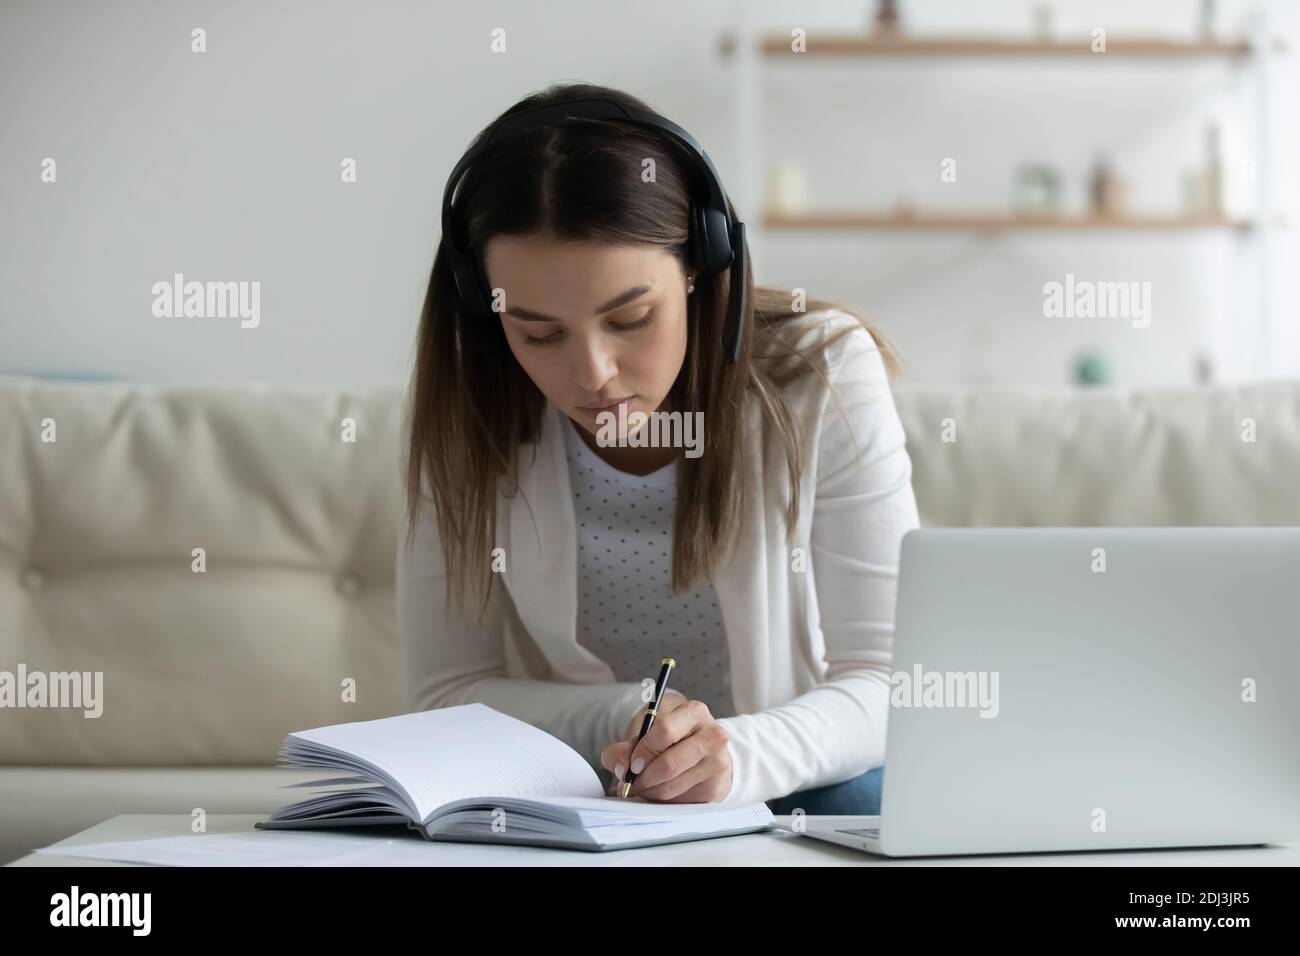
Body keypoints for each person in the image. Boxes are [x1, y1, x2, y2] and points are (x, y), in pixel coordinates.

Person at [396, 82, 919, 816]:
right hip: (581, 793)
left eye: (632, 318)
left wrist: (730, 761)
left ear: (701, 270)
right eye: (539, 334)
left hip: (795, 785)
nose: (592, 374)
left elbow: (890, 680)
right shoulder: (469, 408)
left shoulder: (822, 373)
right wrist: (631, 719)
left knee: (868, 802)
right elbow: (445, 696)